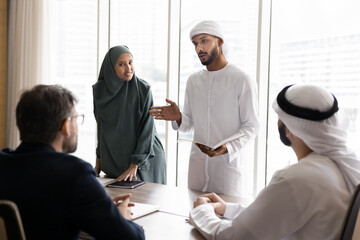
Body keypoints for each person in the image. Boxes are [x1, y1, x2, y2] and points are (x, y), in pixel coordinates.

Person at [189, 84, 360, 239]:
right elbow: (274, 215)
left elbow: (234, 237)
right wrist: (226, 208)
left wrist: (201, 211)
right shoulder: (339, 168)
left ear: (290, 129)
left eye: (280, 118)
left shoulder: (297, 179)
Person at [0, 85, 145, 240]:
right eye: (76, 118)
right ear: (66, 126)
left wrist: (98, 205)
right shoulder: (75, 174)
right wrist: (120, 217)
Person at [149, 20, 259, 196]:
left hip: (227, 171)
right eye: (195, 43)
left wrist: (228, 147)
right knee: (195, 215)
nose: (198, 48)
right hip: (197, 170)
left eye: (204, 40)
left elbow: (252, 126)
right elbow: (189, 124)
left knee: (227, 218)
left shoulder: (242, 79)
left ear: (220, 41)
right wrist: (178, 117)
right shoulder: (194, 80)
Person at [93, 45, 167, 184]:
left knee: (146, 203)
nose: (128, 68)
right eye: (122, 64)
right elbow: (101, 130)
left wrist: (135, 164)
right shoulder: (99, 92)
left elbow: (147, 129)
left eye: (130, 62)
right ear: (110, 68)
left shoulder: (143, 90)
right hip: (115, 160)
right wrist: (98, 163)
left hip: (145, 159)